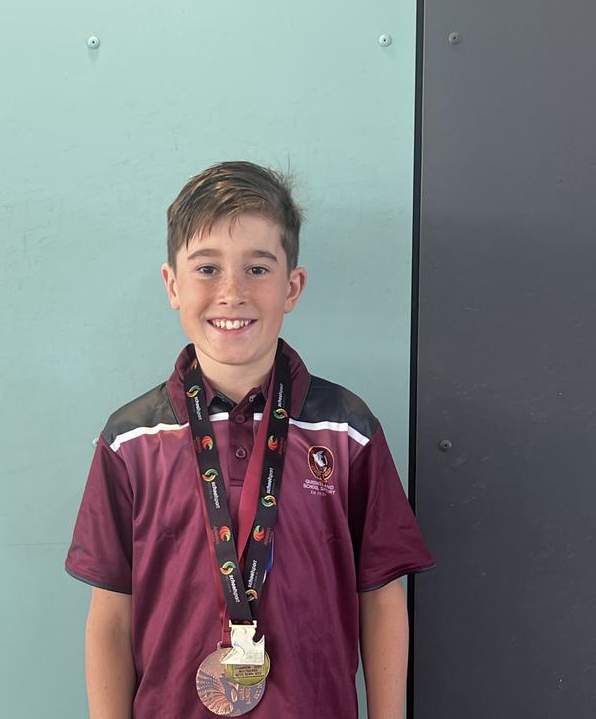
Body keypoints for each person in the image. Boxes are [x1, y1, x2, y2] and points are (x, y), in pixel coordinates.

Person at [66, 161, 434, 718]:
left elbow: (381, 599)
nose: (232, 292)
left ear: (293, 287)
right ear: (172, 285)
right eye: (207, 268)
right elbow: (111, 617)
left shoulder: (347, 430)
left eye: (258, 268)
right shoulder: (131, 439)